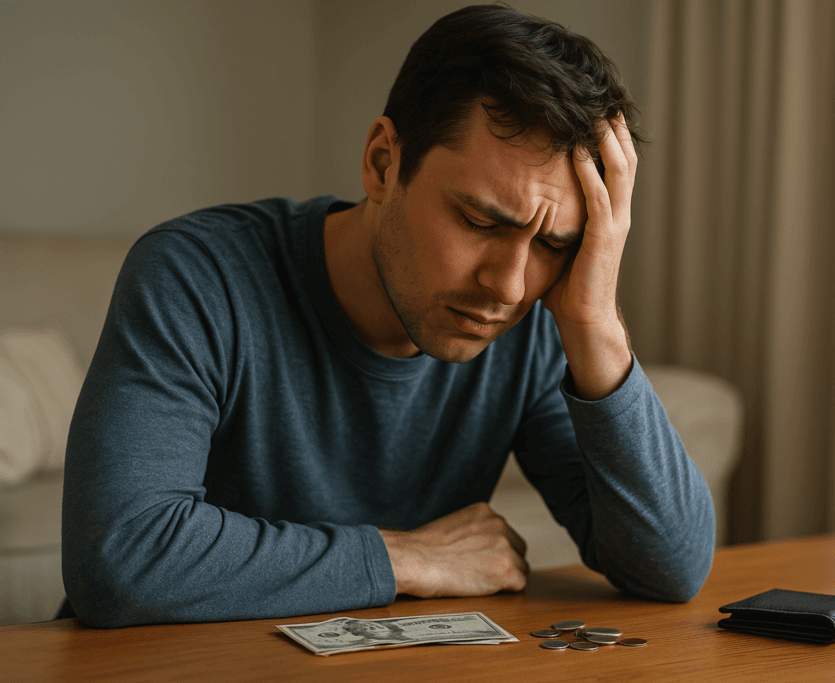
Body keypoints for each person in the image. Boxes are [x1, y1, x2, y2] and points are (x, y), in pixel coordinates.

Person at [61, 4, 715, 628]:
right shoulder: (198, 276)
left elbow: (671, 569)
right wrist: (406, 556)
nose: (509, 286)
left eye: (553, 245)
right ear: (383, 162)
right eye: (481, 220)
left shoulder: (532, 326)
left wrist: (595, 322)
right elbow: (118, 557)